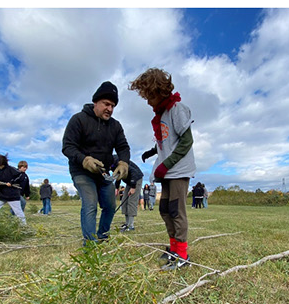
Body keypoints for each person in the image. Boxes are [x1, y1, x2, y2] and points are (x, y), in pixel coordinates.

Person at [131, 67, 195, 270]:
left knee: (176, 211)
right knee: (165, 209)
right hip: (167, 172)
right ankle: (174, 248)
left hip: (178, 170)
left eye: (149, 96)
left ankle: (182, 256)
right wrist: (152, 152)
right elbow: (168, 140)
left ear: (160, 92)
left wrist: (166, 164)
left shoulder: (177, 109)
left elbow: (186, 141)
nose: (147, 101)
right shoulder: (162, 114)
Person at [62, 82, 131, 245]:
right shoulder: (78, 119)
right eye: (106, 104)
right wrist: (84, 159)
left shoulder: (115, 126)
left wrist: (123, 162)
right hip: (81, 172)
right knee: (90, 203)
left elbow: (123, 146)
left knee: (109, 205)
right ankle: (90, 244)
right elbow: (67, 147)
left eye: (113, 105)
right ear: (96, 102)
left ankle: (103, 236)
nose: (110, 109)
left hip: (103, 173)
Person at [0, 153, 27, 224]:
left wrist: (11, 182)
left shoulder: (11, 169)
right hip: (2, 195)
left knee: (18, 212)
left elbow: (20, 176)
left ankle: (24, 227)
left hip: (12, 195)